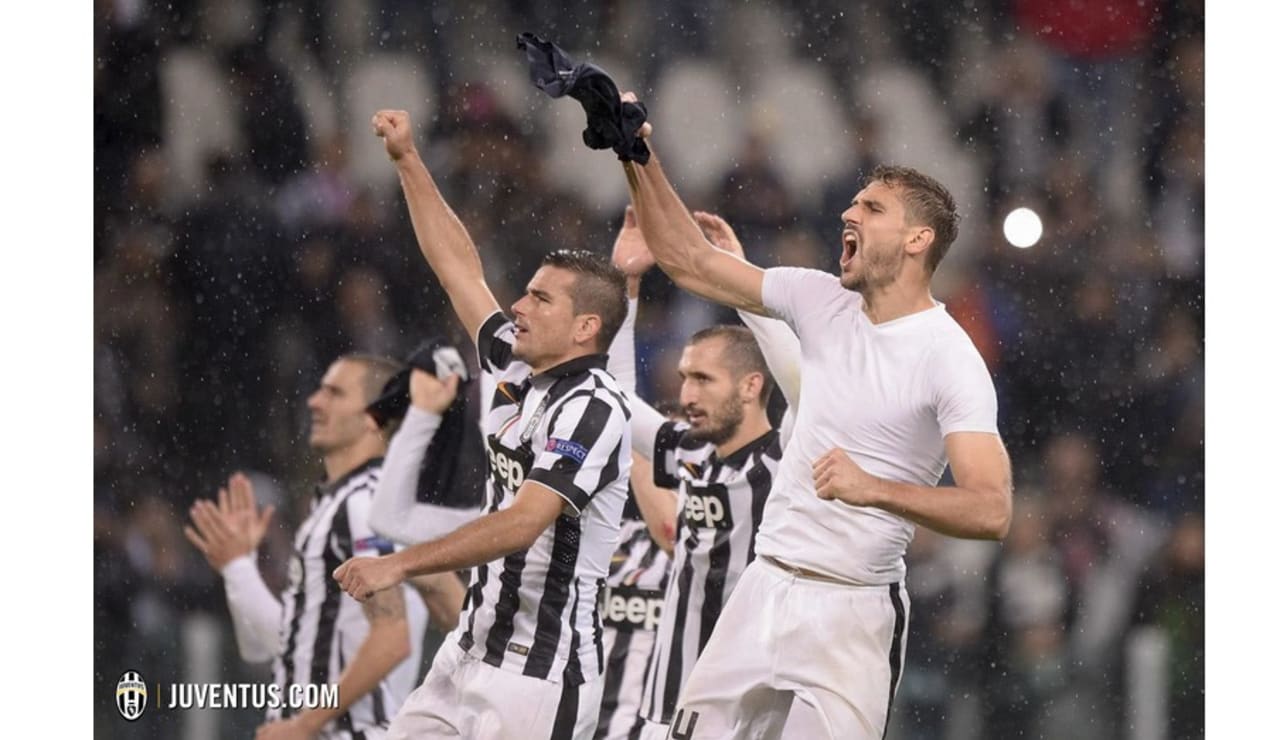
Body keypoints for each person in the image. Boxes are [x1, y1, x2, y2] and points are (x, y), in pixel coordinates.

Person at [610, 95, 1013, 739]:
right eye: (853, 204)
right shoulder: (818, 296)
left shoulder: (950, 358)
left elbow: (991, 510)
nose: (849, 213)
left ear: (919, 240)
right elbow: (687, 258)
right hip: (764, 583)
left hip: (853, 608)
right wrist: (635, 150)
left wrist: (873, 488)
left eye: (872, 209)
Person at [331, 109, 633, 739]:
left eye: (540, 299)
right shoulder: (512, 363)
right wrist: (408, 160)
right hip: (466, 652)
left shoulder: (594, 407)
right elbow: (458, 269)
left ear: (585, 328)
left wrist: (401, 564)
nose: (517, 306)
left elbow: (523, 523)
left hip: (538, 676)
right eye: (525, 292)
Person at [607, 208, 798, 739]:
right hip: (667, 704)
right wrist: (626, 284)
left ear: (752, 385)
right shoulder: (690, 451)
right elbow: (617, 401)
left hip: (744, 709)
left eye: (703, 379)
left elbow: (806, 381)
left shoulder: (788, 459)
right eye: (685, 377)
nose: (686, 393)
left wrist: (739, 281)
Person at [184, 354, 446, 739]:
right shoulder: (350, 505)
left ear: (374, 416)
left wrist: (303, 724)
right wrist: (238, 567)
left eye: (334, 393)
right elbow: (282, 646)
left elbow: (392, 638)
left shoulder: (364, 506)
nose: (315, 401)